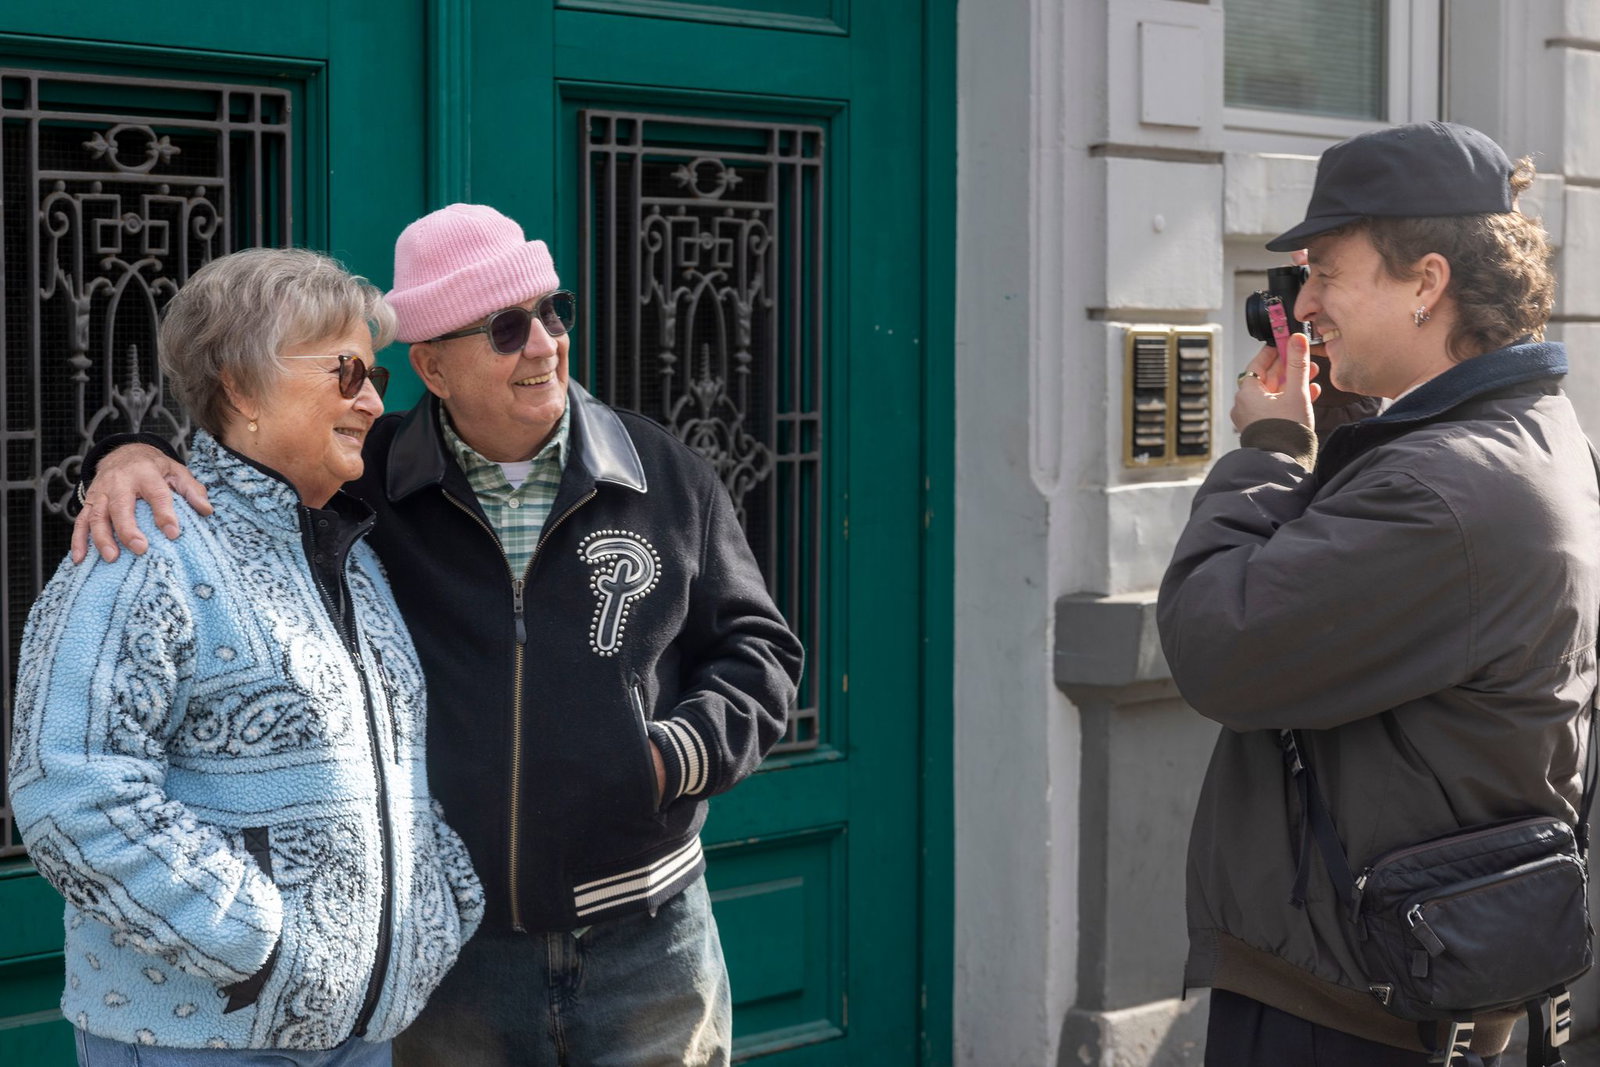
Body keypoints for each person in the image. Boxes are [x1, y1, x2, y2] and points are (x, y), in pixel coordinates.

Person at [71, 205, 805, 1067]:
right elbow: (243, 470)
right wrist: (130, 453)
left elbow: (759, 652)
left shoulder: (663, 471)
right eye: (505, 327)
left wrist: (666, 758)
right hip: (453, 963)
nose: (542, 344)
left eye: (551, 311)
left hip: (649, 938)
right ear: (432, 366)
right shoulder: (358, 478)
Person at [1157, 121, 1599, 1066]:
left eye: (1325, 271)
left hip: (1348, 1005)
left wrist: (1271, 452)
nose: (1303, 301)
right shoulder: (1523, 435)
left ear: (1427, 283)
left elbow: (1218, 646)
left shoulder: (1443, 489)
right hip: (1411, 965)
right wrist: (1349, 432)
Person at [9, 248, 485, 1066]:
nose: (373, 400)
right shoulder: (142, 546)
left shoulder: (354, 555)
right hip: (198, 1038)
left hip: (358, 1036)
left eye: (374, 375)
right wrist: (261, 941)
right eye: (345, 372)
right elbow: (67, 789)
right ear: (238, 384)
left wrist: (438, 908)